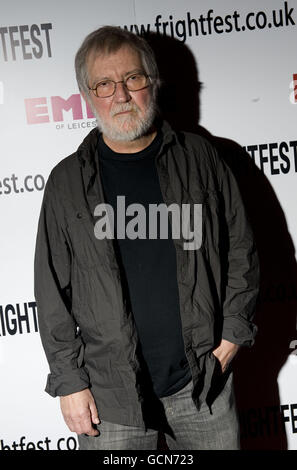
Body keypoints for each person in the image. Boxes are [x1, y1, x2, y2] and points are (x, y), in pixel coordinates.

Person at [34, 25, 259, 450]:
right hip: (110, 400)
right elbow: (51, 294)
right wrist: (69, 383)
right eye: (104, 84)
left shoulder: (200, 157)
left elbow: (242, 250)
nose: (120, 95)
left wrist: (231, 337)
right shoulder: (67, 183)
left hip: (201, 388)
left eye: (132, 78)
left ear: (151, 83)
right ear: (87, 96)